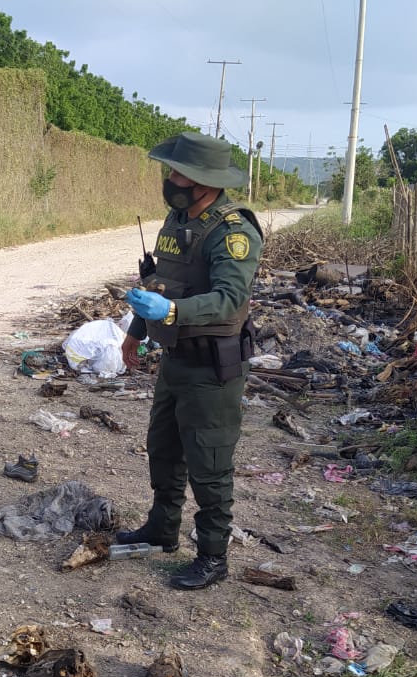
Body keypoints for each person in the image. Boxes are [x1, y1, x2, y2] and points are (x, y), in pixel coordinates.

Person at [116, 132, 264, 590]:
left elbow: (228, 298)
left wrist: (174, 312)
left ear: (203, 180)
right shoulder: (177, 220)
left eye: (179, 172)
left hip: (212, 369)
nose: (171, 179)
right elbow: (162, 282)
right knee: (164, 451)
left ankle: (213, 557)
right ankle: (162, 531)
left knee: (209, 465)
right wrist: (136, 333)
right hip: (175, 360)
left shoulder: (233, 232)